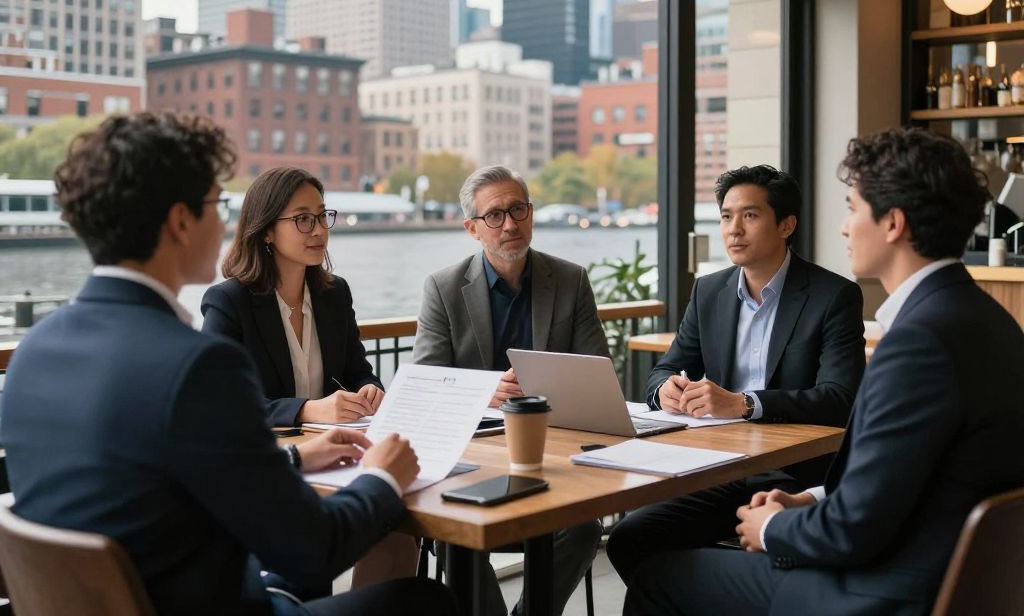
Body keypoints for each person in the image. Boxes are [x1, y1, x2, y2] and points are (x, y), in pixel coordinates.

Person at [0, 113, 455, 616]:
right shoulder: (198, 367)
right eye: (217, 204)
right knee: (427, 599)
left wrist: (298, 458)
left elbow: (155, 481)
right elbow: (313, 549)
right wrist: (383, 477)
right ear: (180, 221)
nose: (224, 223)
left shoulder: (32, 354)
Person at [624, 128, 1024, 616]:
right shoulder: (984, 319)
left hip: (882, 590)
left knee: (659, 577)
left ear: (893, 223)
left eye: (853, 208)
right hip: (949, 574)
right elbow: (897, 479)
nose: (843, 227)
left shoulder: (919, 343)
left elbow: (853, 528)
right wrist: (810, 499)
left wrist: (771, 527)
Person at [607, 165, 865, 584]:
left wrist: (746, 404)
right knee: (630, 537)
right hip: (716, 467)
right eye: (726, 216)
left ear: (786, 224)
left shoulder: (833, 296)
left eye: (750, 215)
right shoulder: (709, 291)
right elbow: (665, 369)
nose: (733, 230)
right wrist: (665, 391)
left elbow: (840, 398)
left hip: (793, 476)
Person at [413, 164, 606, 616]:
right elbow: (426, 381)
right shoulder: (443, 288)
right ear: (472, 229)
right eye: (495, 216)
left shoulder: (571, 279)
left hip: (552, 453)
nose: (510, 224)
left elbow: (598, 372)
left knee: (581, 529)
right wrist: (483, 391)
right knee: (456, 529)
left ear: (532, 213)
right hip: (473, 455)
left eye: (518, 209)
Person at [202, 167, 383, 427]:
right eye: (303, 219)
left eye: (322, 216)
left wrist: (369, 390)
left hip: (335, 448)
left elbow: (358, 374)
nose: (319, 230)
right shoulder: (228, 302)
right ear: (266, 230)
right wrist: (305, 410)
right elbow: (219, 400)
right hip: (266, 454)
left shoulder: (335, 294)